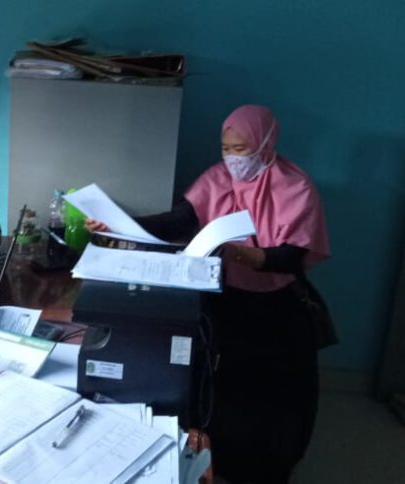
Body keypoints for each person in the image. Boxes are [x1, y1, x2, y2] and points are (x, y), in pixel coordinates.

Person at [87, 105, 330, 482]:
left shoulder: (294, 186)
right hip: (223, 295)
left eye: (241, 148)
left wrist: (244, 254)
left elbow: (293, 257)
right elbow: (179, 221)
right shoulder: (217, 178)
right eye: (226, 148)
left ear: (265, 143)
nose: (232, 158)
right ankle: (219, 463)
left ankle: (267, 470)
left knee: (272, 399)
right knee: (219, 388)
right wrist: (122, 225)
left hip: (275, 306)